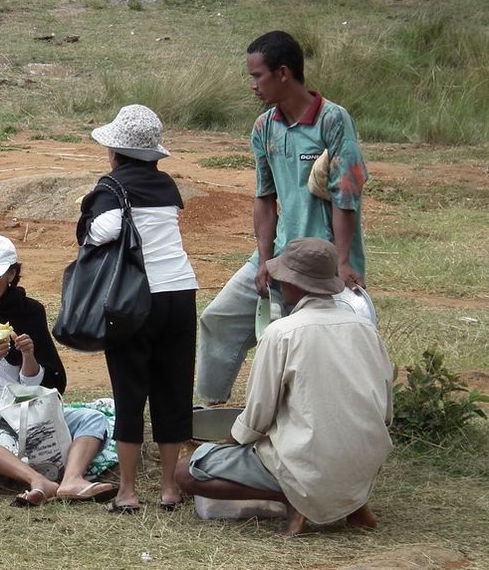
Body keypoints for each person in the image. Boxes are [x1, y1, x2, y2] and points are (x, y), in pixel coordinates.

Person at [196, 30, 369, 405]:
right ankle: (209, 410)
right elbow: (265, 198)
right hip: (277, 254)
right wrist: (262, 260)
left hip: (322, 260)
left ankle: (304, 420)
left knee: (305, 346)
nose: (252, 85)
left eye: (257, 75)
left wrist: (342, 263)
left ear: (284, 73)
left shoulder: (333, 121)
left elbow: (346, 197)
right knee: (219, 317)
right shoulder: (264, 127)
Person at [176, 238, 393, 537]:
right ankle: (354, 505)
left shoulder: (282, 333)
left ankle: (293, 500)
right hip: (365, 463)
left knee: (186, 472)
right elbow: (386, 408)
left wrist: (228, 443)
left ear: (293, 285)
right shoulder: (366, 329)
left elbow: (258, 416)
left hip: (304, 464)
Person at [78, 105, 199, 513]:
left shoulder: (112, 186)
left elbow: (102, 232)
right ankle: (169, 489)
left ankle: (128, 491)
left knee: (130, 391)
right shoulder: (167, 187)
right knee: (173, 389)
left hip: (134, 299)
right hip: (180, 293)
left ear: (114, 150)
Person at [0, 234, 117, 507]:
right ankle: (37, 480)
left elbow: (38, 383)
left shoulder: (30, 311)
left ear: (11, 274)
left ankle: (72, 478)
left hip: (31, 408)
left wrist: (28, 355)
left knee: (93, 418)